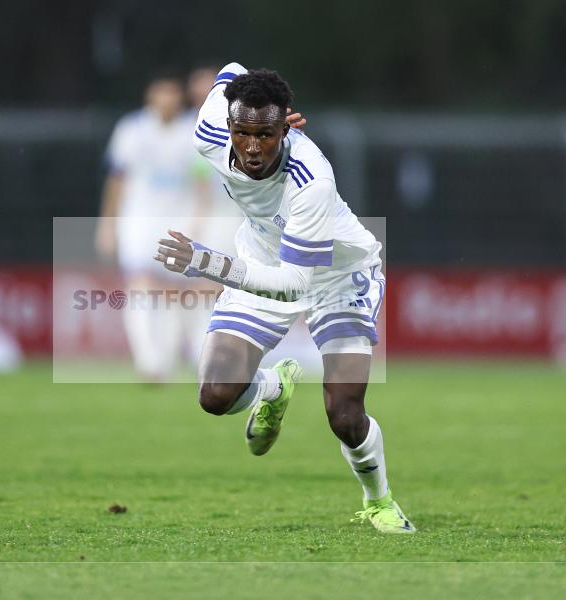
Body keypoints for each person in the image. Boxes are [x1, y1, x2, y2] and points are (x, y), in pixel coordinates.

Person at [154, 63, 416, 533]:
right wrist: (260, 105)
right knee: (215, 395)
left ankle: (380, 501)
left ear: (286, 126)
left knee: (344, 413)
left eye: (267, 134)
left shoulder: (311, 181)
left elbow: (295, 285)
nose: (253, 148)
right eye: (244, 132)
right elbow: (232, 70)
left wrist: (207, 262)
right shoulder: (209, 130)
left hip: (338, 274)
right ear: (228, 125)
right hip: (262, 260)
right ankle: (271, 388)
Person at [95, 74, 204, 381]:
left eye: (173, 94)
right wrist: (108, 224)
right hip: (139, 222)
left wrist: (199, 222)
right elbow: (117, 180)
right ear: (151, 97)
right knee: (140, 286)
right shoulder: (131, 130)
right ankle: (148, 361)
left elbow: (201, 182)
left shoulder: (192, 132)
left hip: (180, 222)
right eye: (162, 94)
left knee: (177, 293)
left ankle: (168, 360)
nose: (167, 100)